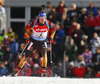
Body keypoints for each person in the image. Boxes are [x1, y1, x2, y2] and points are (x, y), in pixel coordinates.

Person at [15, 10, 56, 76]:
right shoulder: (33, 22)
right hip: (34, 41)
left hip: (43, 41)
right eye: (42, 18)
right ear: (39, 17)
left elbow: (54, 27)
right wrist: (28, 37)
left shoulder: (48, 23)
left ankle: (43, 71)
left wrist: (51, 37)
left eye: (44, 18)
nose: (43, 20)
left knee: (44, 55)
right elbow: (27, 28)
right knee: (26, 56)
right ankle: (17, 71)